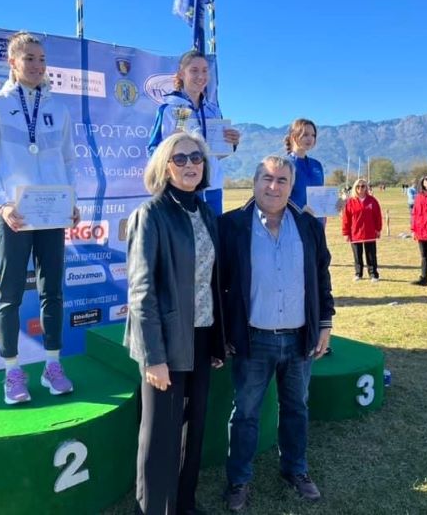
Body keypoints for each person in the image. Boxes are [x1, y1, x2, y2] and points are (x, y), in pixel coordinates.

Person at [219, 155, 335, 511]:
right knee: (246, 413)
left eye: (282, 180)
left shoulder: (309, 226)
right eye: (267, 179)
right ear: (254, 182)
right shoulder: (231, 226)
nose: (274, 186)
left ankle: (295, 470)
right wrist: (223, 333)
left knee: (296, 407)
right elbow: (218, 284)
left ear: (291, 185)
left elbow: (322, 278)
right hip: (253, 339)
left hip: (300, 338)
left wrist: (325, 324)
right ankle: (239, 479)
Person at [0, 31, 80, 405]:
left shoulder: (59, 109)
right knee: (11, 294)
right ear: (13, 63)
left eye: (42, 59)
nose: (37, 65)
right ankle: (12, 372)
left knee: (53, 292)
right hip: (14, 215)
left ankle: (53, 365)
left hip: (52, 215)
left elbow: (68, 160)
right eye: (29, 58)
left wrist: (72, 200)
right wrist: (2, 204)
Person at [123, 132, 226, 515]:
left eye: (196, 157)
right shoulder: (151, 214)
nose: (189, 165)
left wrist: (216, 341)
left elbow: (212, 282)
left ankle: (184, 505)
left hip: (201, 336)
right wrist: (153, 357)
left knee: (192, 430)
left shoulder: (206, 213)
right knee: (160, 437)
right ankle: (153, 509)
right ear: (165, 167)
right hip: (164, 343)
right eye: (179, 158)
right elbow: (141, 291)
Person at [148, 50, 240, 215]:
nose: (201, 76)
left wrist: (231, 143)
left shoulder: (214, 110)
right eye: (194, 70)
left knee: (213, 232)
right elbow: (153, 150)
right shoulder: (169, 109)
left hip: (212, 189)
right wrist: (171, 148)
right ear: (181, 74)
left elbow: (215, 153)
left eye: (205, 71)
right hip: (183, 189)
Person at [342, 178, 382, 282]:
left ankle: (373, 274)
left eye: (363, 186)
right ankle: (358, 273)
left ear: (366, 188)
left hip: (370, 232)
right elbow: (346, 219)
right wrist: (346, 233)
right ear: (355, 188)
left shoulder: (372, 201)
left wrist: (378, 229)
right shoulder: (350, 202)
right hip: (355, 232)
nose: (360, 188)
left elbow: (377, 216)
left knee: (371, 255)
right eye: (358, 186)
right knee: (357, 255)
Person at [285, 118, 324, 215]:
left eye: (313, 135)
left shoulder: (317, 165)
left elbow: (321, 197)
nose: (310, 138)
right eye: (305, 134)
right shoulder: (285, 164)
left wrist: (334, 204)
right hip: (294, 220)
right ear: (293, 136)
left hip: (317, 221)